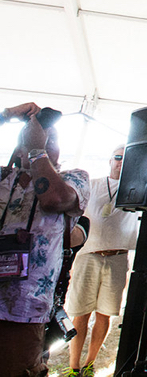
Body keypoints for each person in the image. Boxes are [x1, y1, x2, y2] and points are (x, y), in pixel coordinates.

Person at [0, 103, 90, 377]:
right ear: (19, 148)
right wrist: (5, 116)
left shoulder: (74, 178)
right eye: (39, 139)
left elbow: (53, 200)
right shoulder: (4, 178)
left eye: (53, 141)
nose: (48, 144)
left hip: (25, 310)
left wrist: (37, 151)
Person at [64, 146, 139, 377]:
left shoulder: (137, 190)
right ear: (110, 160)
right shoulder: (93, 184)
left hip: (117, 258)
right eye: (118, 157)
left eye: (126, 159)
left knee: (104, 314)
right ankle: (74, 367)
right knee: (80, 314)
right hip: (88, 255)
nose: (121, 162)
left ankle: (89, 363)